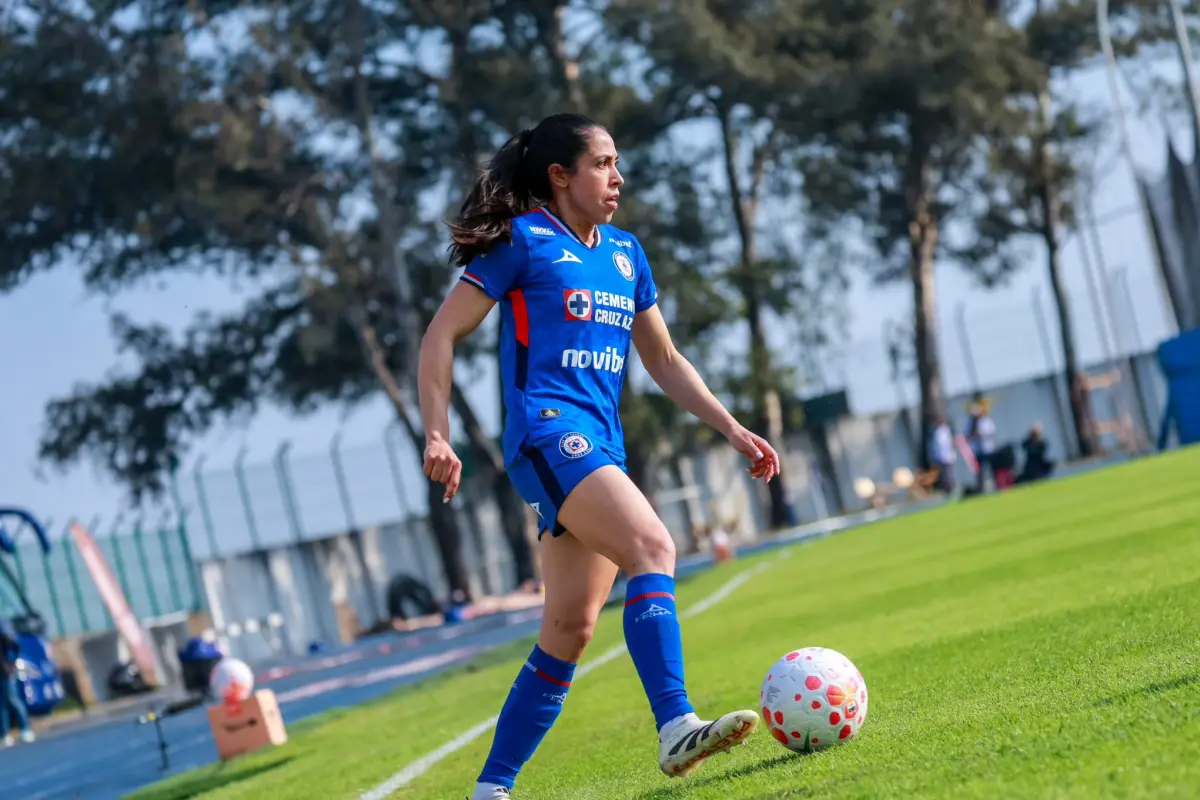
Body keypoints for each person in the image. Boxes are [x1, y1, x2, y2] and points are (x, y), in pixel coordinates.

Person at [418, 113, 780, 800]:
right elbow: (441, 335)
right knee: (653, 543)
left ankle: (490, 790)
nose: (619, 176)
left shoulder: (625, 255)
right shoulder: (523, 244)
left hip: (598, 443)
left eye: (618, 162)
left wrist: (733, 429)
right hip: (547, 434)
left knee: (569, 630)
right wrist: (437, 433)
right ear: (560, 176)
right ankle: (675, 725)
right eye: (604, 163)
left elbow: (665, 361)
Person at [0, 616, 35, 746]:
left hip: (5, 670)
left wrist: (12, 662)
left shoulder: (2, 625)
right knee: (2, 703)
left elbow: (13, 643)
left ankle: (25, 728)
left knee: (12, 699)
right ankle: (5, 734)